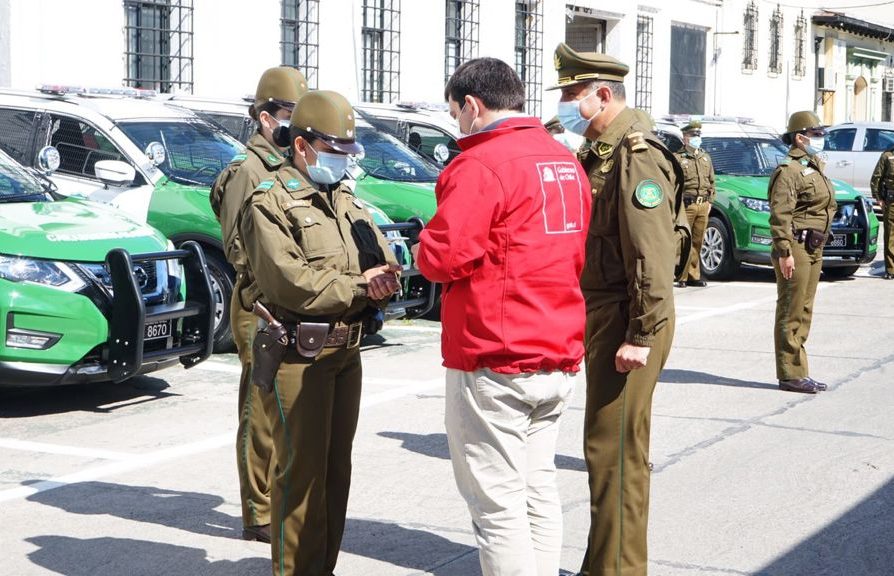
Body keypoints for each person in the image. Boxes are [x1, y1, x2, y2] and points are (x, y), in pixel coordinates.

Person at [412, 57, 590, 576]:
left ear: (472, 104)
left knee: (497, 506)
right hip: (556, 347)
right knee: (537, 489)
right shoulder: (562, 159)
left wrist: (423, 242)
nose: (456, 123)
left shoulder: (481, 164)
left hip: (497, 352)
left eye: (454, 112)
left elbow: (445, 257)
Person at [239, 89, 401, 576]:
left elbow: (381, 255)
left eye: (347, 153)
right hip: (298, 355)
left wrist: (385, 277)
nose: (342, 162)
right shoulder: (269, 203)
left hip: (346, 352)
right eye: (334, 152)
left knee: (335, 473)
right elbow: (291, 284)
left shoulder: (345, 199)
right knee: (300, 474)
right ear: (303, 146)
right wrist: (360, 285)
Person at [551, 42, 680, 576]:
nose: (563, 103)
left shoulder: (636, 154)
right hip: (608, 313)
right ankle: (602, 564)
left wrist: (641, 334)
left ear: (602, 95)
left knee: (616, 455)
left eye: (571, 94)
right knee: (605, 451)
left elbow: (652, 256)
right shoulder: (601, 150)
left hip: (630, 318)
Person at [209, 65, 308, 544]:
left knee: (288, 407)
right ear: (266, 118)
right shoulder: (245, 172)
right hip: (260, 304)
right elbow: (238, 249)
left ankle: (279, 496)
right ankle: (259, 511)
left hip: (295, 303)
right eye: (291, 114)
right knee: (261, 406)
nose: (298, 125)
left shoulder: (295, 163)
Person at [769, 111, 836, 394]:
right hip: (795, 245)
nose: (820, 139)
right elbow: (780, 214)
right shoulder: (789, 170)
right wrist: (785, 251)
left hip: (813, 245)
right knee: (791, 308)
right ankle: (789, 373)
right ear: (800, 137)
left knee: (804, 309)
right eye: (816, 134)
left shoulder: (813, 164)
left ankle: (800, 370)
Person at [674, 119, 716, 288]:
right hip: (687, 204)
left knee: (698, 241)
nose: (696, 137)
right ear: (685, 137)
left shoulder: (705, 157)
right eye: (693, 135)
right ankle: (681, 276)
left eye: (698, 135)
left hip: (703, 204)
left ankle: (693, 275)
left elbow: (712, 181)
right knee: (684, 240)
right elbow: (674, 184)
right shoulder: (678, 158)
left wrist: (710, 201)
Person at [869, 144, 894, 280]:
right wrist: (878, 198)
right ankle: (891, 269)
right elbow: (876, 177)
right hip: (891, 202)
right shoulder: (887, 156)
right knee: (890, 235)